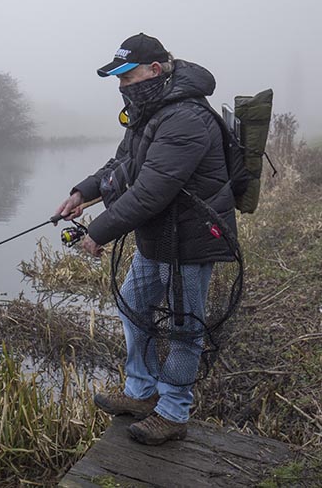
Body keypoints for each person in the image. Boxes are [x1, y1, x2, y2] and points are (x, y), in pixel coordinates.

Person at [54, 33, 238, 445]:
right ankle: (141, 392)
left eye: (127, 76)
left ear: (155, 70)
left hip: (190, 239)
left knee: (184, 327)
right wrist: (84, 192)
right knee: (133, 303)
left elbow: (152, 189)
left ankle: (173, 411)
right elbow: (123, 163)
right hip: (158, 235)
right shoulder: (149, 110)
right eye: (117, 79)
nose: (122, 86)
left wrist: (100, 230)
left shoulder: (186, 117)